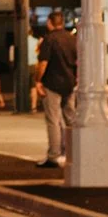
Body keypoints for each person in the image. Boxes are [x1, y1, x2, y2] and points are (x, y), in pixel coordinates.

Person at [36, 9, 78, 167]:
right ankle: (73, 152)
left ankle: (54, 155)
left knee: (53, 119)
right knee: (71, 119)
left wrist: (38, 81)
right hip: (70, 83)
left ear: (49, 23)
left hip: (52, 83)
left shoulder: (49, 39)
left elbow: (43, 63)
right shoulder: (72, 39)